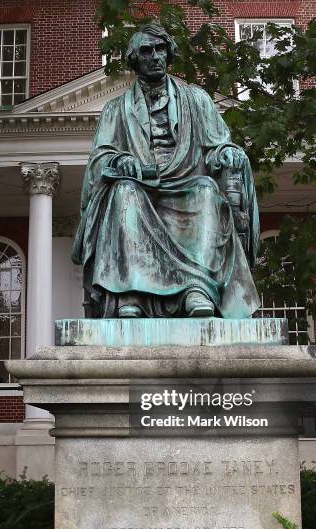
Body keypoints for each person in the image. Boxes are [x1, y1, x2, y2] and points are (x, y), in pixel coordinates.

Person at [72, 23, 261, 319]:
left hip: (187, 184)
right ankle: (130, 294)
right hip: (140, 187)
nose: (155, 56)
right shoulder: (116, 109)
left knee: (207, 191)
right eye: (146, 51)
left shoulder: (197, 99)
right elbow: (99, 160)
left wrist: (228, 152)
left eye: (161, 49)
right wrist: (119, 162)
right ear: (135, 60)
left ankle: (197, 290)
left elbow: (217, 146)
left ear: (169, 54)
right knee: (123, 193)